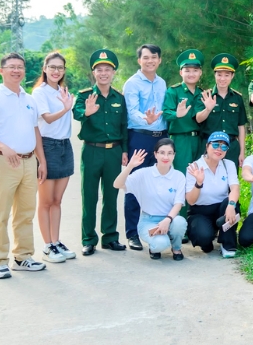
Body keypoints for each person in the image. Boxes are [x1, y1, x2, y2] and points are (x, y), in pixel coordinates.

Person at [0, 53, 47, 279]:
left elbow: (35, 130)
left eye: (20, 67)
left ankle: (23, 257)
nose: (16, 70)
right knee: (0, 214)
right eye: (11, 67)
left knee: (25, 213)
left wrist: (41, 160)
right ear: (2, 70)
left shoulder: (29, 100)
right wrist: (5, 148)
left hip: (29, 163)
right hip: (3, 162)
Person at [73, 49, 128, 256]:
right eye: (99, 70)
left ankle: (110, 237)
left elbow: (124, 126)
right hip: (92, 151)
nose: (103, 73)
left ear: (113, 73)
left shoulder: (119, 98)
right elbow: (77, 114)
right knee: (89, 196)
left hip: (113, 152)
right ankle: (88, 239)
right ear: (93, 72)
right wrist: (86, 112)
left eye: (107, 70)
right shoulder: (85, 95)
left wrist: (124, 151)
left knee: (111, 195)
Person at [32, 51, 77, 263]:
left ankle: (56, 241)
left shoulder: (63, 91)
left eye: (60, 67)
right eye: (52, 67)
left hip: (64, 146)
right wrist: (66, 108)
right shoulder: (39, 93)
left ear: (64, 70)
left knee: (57, 200)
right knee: (46, 201)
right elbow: (47, 119)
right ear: (45, 68)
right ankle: (48, 246)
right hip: (48, 146)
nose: (56, 71)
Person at [123, 43, 168, 251]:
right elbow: (132, 112)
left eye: (154, 57)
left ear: (159, 60)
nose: (150, 61)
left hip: (160, 139)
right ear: (139, 60)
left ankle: (157, 228)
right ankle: (132, 233)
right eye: (146, 57)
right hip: (140, 138)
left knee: (159, 185)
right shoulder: (132, 84)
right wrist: (146, 120)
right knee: (136, 184)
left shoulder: (162, 83)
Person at [114, 138, 187, 260]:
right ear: (155, 154)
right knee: (161, 244)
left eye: (170, 153)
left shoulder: (178, 176)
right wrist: (130, 166)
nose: (166, 157)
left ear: (174, 155)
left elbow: (178, 203)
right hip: (149, 220)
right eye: (162, 152)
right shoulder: (144, 174)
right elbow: (117, 184)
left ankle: (176, 248)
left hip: (171, 219)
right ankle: (154, 246)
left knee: (180, 222)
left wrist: (167, 220)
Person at [185, 131, 241, 258]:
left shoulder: (228, 165)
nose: (219, 149)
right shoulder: (194, 167)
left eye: (224, 146)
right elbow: (191, 201)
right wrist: (199, 183)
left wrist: (231, 205)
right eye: (215, 145)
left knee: (231, 203)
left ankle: (227, 244)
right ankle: (208, 239)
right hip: (200, 210)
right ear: (207, 146)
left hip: (222, 209)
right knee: (203, 237)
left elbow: (235, 188)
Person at [163, 49, 209, 185]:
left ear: (200, 72)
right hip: (180, 140)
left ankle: (193, 206)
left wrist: (208, 108)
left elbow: (200, 117)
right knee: (182, 177)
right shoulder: (173, 91)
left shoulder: (202, 93)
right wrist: (177, 114)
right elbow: (165, 113)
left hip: (199, 140)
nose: (191, 74)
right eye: (187, 70)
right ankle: (181, 207)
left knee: (198, 177)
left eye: (195, 70)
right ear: (180, 72)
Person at [202, 53, 248, 167]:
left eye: (227, 75)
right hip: (210, 146)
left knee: (230, 181)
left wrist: (242, 152)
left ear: (232, 76)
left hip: (231, 147)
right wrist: (207, 109)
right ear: (214, 75)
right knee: (208, 181)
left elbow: (241, 126)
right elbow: (198, 119)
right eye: (219, 74)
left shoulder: (237, 98)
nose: (222, 78)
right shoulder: (205, 96)